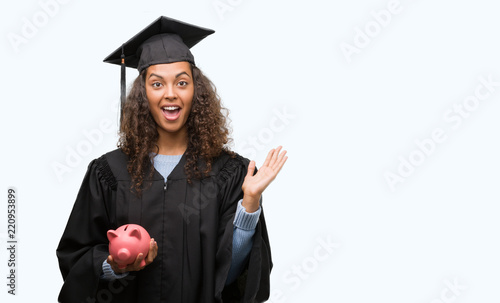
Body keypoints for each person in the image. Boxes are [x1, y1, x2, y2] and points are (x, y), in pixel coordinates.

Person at [56, 16, 287, 303]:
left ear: (196, 91)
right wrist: (115, 264)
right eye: (157, 84)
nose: (170, 94)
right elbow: (76, 256)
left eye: (181, 82)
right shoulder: (109, 173)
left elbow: (231, 277)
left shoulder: (230, 173)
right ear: (143, 95)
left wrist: (249, 206)